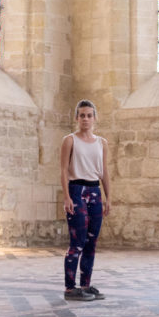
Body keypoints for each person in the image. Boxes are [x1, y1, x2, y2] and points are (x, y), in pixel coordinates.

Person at [60, 99, 111, 301]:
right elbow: (63, 169)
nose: (86, 119)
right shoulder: (70, 140)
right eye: (82, 115)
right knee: (78, 241)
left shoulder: (102, 143)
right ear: (76, 118)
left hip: (95, 191)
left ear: (95, 118)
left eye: (89, 115)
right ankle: (70, 288)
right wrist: (66, 196)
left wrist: (109, 198)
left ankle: (86, 285)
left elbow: (104, 171)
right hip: (76, 190)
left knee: (92, 241)